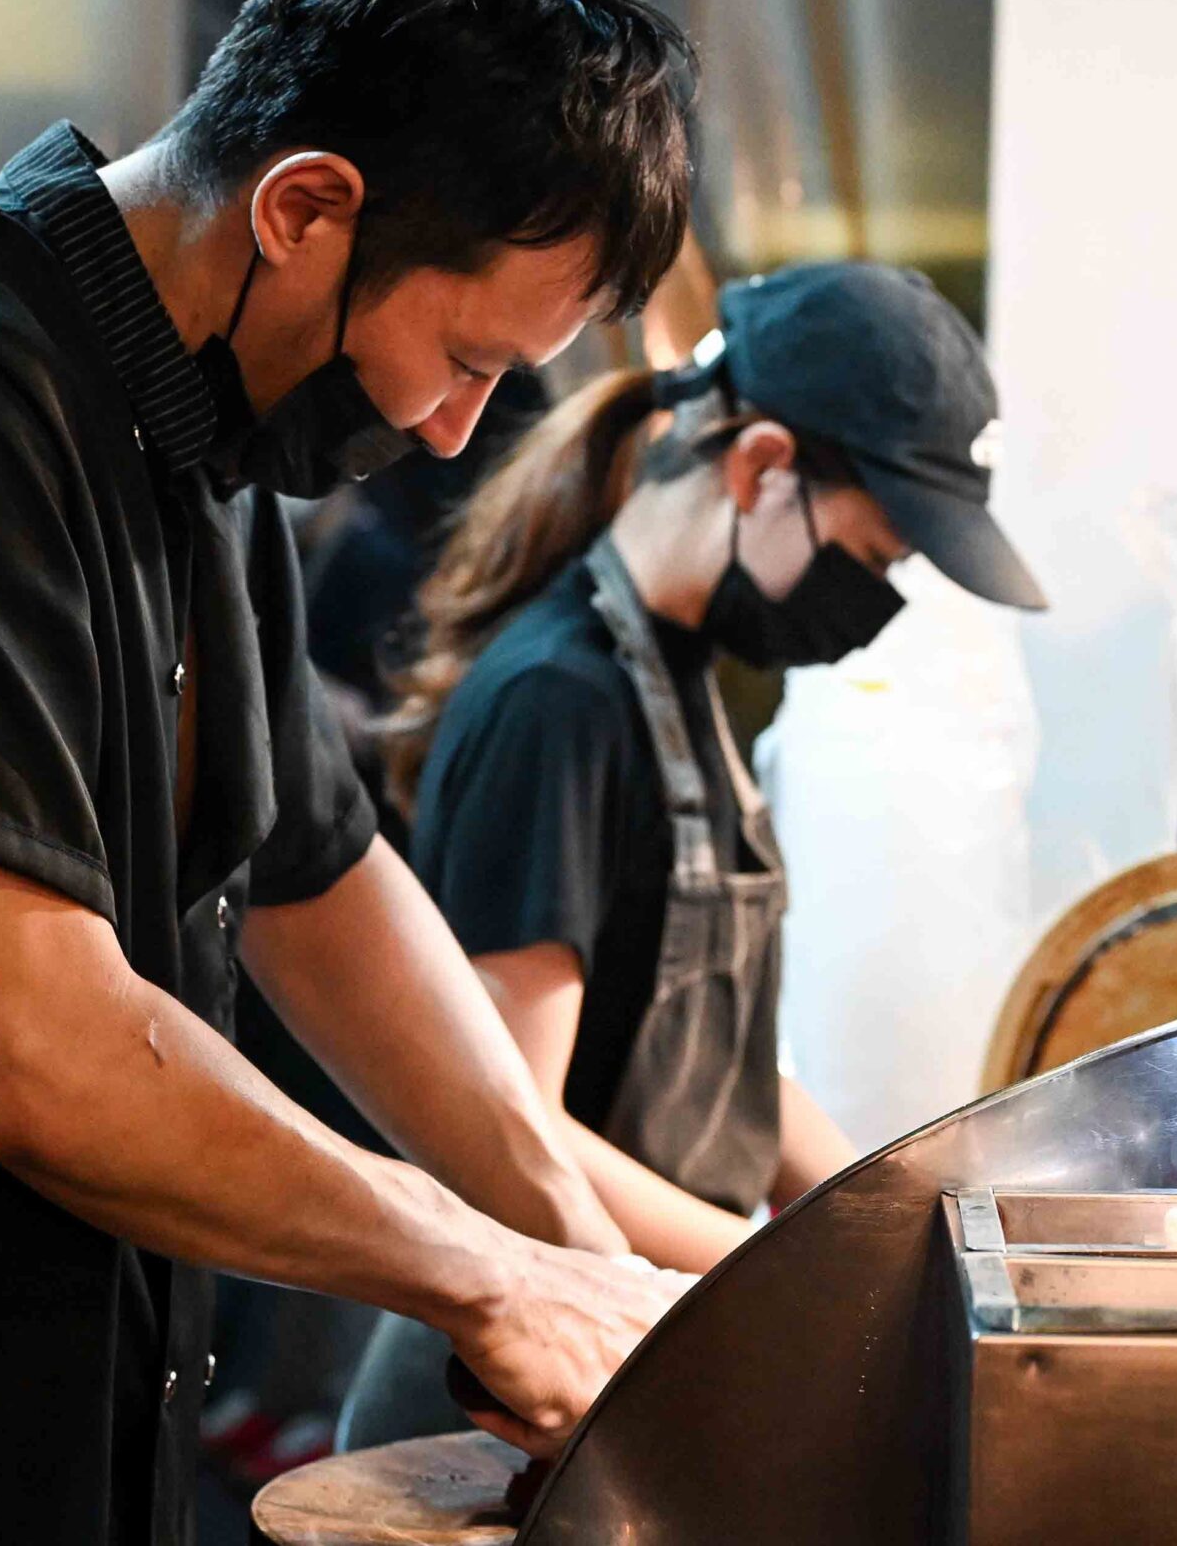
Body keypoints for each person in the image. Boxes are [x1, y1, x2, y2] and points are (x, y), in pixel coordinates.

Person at [0, 0, 695, 1546]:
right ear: (303, 206)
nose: (450, 430)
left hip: (76, 1428)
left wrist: (573, 1250)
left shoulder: (199, 427)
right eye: (464, 360)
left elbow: (321, 882)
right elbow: (28, 1049)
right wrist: (478, 1270)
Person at [342, 262, 1046, 1445]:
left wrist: (900, 1223)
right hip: (493, 1400)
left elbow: (728, 1073)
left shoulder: (681, 685)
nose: (873, 599)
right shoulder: (559, 705)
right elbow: (509, 1128)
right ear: (762, 467)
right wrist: (785, 1275)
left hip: (645, 1336)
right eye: (874, 558)